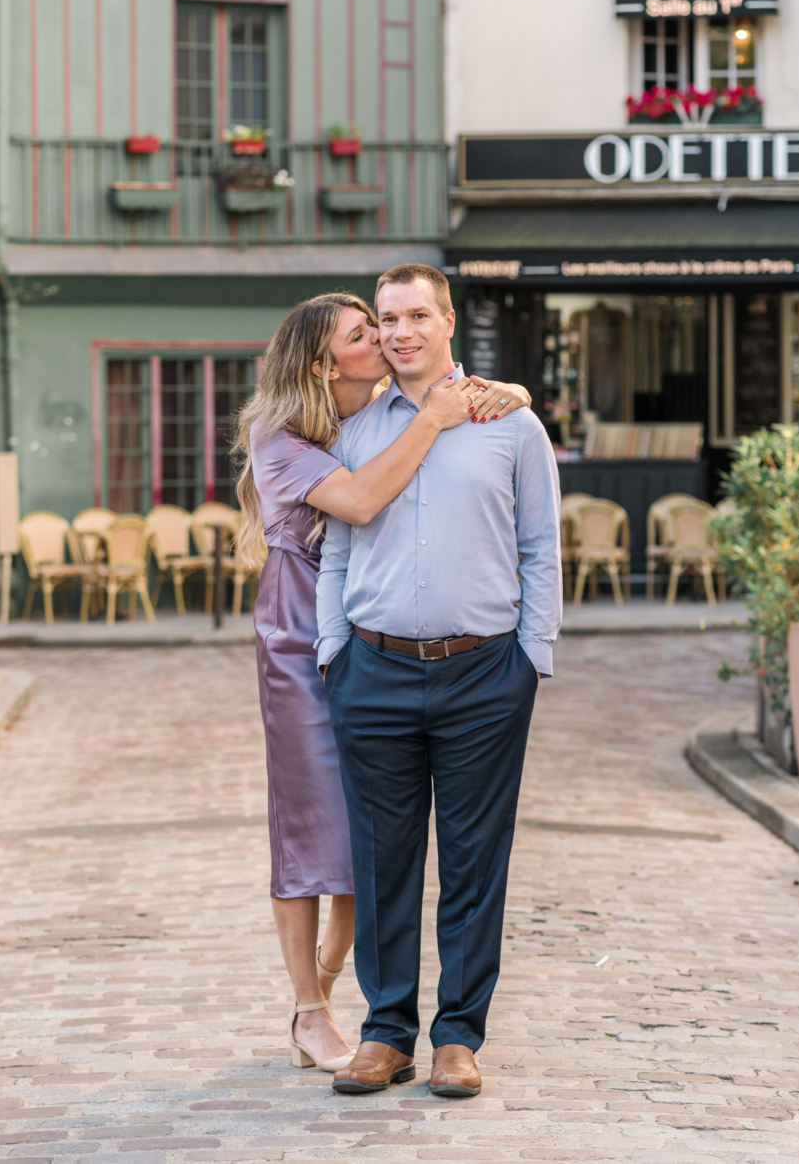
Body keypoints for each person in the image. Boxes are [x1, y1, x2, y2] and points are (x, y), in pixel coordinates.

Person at [233, 291, 532, 1074]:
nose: (387, 338)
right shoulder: (285, 436)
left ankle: (347, 996)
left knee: (372, 841)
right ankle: (310, 1007)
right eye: (367, 333)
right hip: (306, 643)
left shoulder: (362, 419)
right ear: (326, 364)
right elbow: (362, 503)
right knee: (311, 831)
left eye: (395, 322)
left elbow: (526, 518)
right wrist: (435, 419)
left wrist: (510, 395)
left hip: (387, 645)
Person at [316, 264, 562, 1099]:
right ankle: (385, 1035)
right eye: (387, 319)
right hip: (372, 668)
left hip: (485, 673)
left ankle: (458, 1037)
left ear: (448, 320)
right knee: (382, 861)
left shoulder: (509, 425)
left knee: (473, 861)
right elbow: (337, 549)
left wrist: (531, 657)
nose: (401, 331)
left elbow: (541, 548)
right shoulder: (354, 427)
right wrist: (331, 652)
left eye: (417, 314)